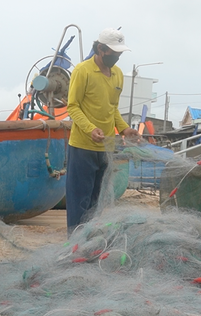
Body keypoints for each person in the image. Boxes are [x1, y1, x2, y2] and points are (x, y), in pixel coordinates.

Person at [66, 28, 140, 233]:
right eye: (114, 53)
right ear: (100, 48)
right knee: (79, 202)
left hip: (105, 149)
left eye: (120, 54)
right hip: (82, 148)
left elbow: (112, 107)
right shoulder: (83, 71)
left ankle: (91, 243)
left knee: (96, 204)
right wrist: (90, 129)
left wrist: (124, 129)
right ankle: (74, 247)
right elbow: (73, 106)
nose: (117, 57)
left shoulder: (117, 74)